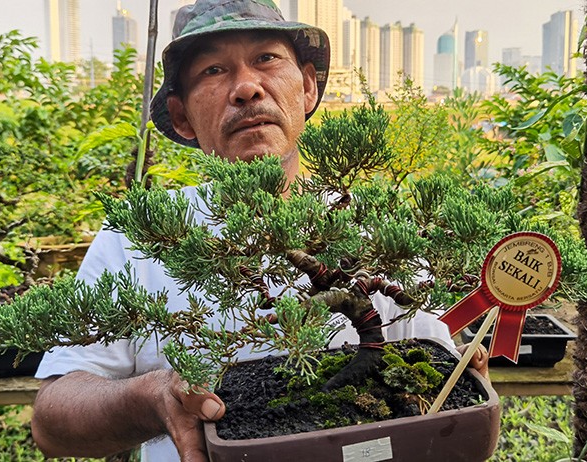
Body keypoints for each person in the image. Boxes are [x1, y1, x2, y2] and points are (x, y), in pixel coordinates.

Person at [32, 1, 488, 461]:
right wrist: (149, 397)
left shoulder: (379, 228)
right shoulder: (141, 235)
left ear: (307, 87)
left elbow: (434, 364)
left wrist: (463, 388)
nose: (247, 88)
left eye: (266, 59)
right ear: (183, 114)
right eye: (213, 70)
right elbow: (52, 419)